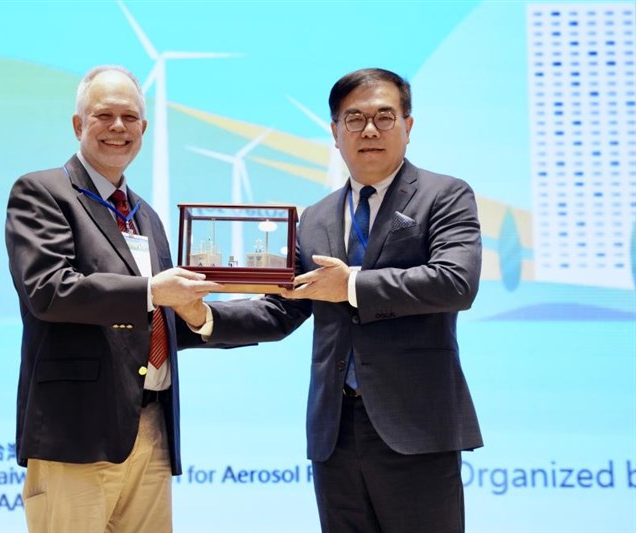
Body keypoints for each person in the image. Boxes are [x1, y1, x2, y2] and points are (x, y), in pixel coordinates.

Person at [177, 67, 483, 533]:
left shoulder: (445, 196)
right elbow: (284, 308)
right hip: (335, 432)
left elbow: (454, 282)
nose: (370, 130)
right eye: (354, 119)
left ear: (409, 126)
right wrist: (204, 316)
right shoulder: (317, 218)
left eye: (384, 117)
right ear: (335, 133)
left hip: (415, 427)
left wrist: (353, 285)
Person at [4, 65, 218, 533]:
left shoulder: (149, 217)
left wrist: (214, 313)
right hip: (75, 432)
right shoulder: (42, 192)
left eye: (130, 117)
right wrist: (151, 291)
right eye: (104, 115)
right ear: (79, 125)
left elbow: (163, 316)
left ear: (144, 128)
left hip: (151, 428)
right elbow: (49, 290)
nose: (118, 127)